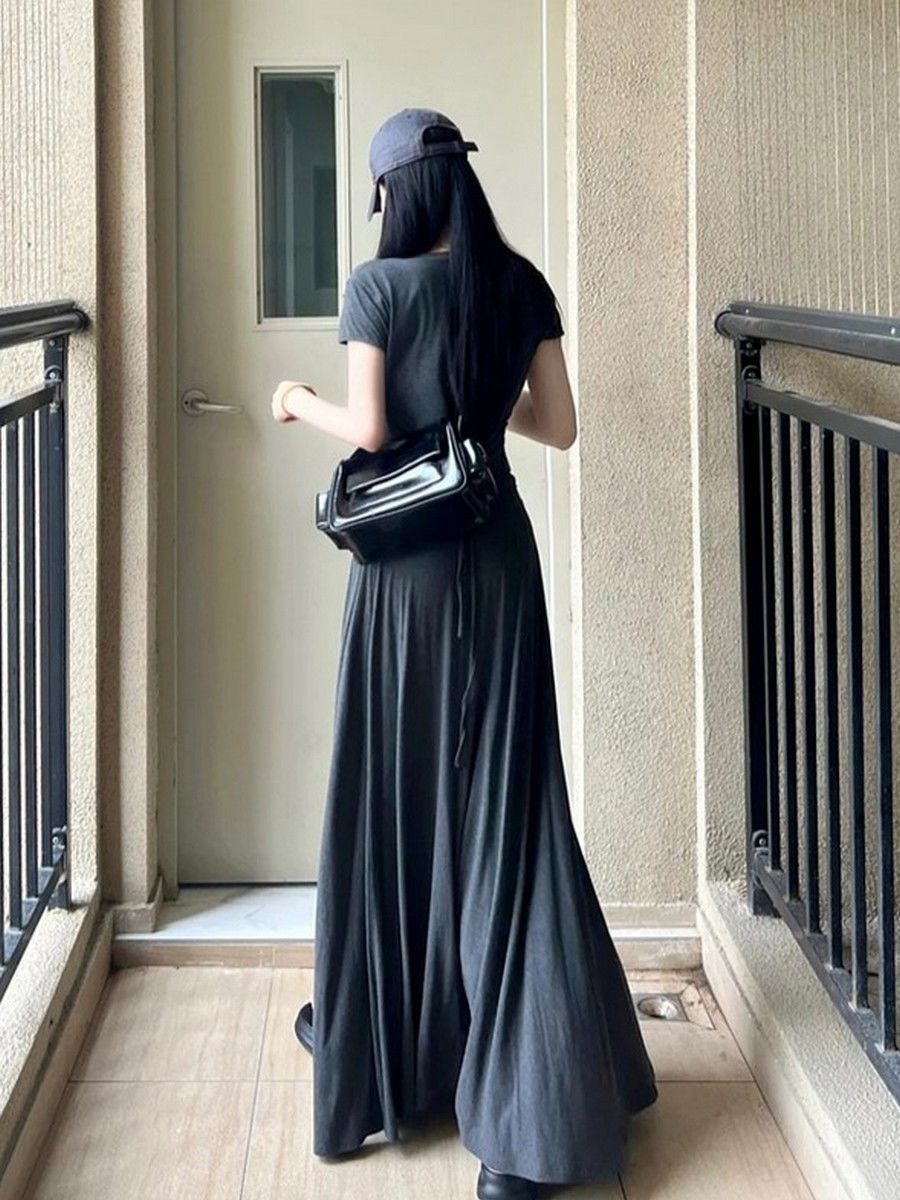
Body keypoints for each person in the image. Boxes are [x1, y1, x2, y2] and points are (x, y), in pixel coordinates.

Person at [271, 107, 658, 1200]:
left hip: (405, 580)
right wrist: (478, 413)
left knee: (394, 799)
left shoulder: (376, 288)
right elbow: (560, 424)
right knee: (510, 816)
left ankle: (379, 1040)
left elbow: (372, 432)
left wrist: (297, 399)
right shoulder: (519, 283)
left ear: (396, 194)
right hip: (497, 561)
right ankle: (530, 1121)